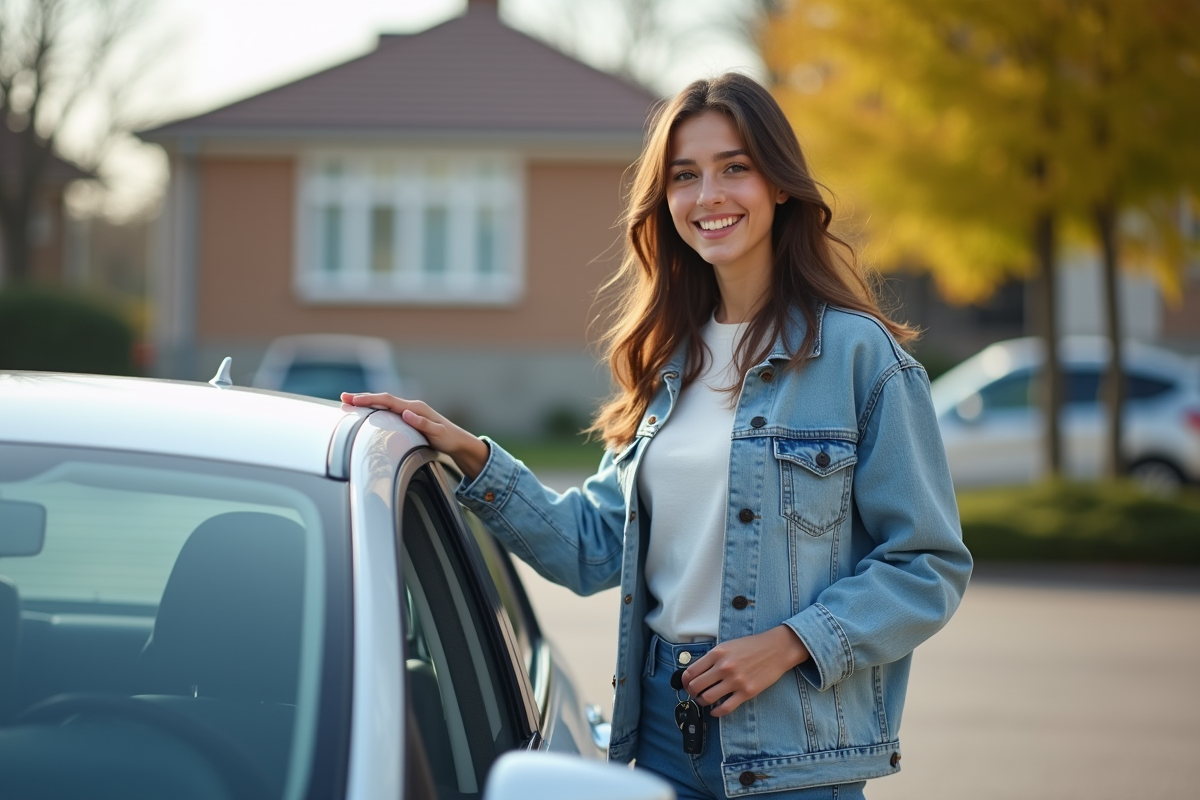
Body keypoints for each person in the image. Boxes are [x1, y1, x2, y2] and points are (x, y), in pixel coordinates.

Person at [343, 73, 972, 800]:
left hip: (793, 753)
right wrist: (469, 453)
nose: (708, 196)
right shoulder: (668, 361)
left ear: (779, 185)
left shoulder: (860, 358)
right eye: (684, 175)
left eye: (734, 167)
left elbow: (928, 565)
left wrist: (789, 645)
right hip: (664, 737)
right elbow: (590, 548)